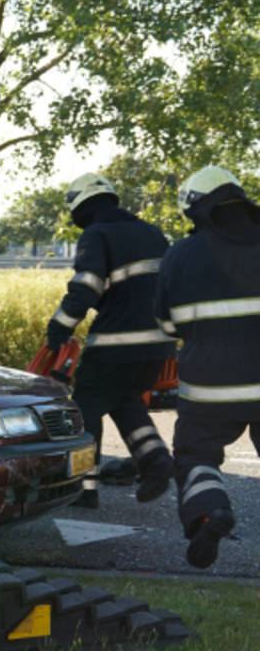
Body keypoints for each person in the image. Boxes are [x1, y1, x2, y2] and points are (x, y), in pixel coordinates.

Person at [46, 173, 176, 508]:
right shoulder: (152, 232)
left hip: (115, 345)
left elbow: (87, 286)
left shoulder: (97, 234)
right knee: (126, 401)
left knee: (86, 405)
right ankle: (157, 461)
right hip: (158, 344)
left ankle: (84, 488)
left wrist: (59, 327)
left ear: (83, 203)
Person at [155, 165, 260, 569]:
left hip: (211, 383)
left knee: (196, 454)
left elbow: (167, 324)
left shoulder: (181, 255)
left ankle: (209, 512)